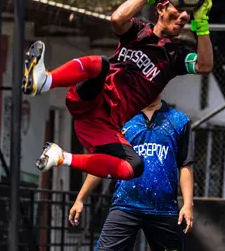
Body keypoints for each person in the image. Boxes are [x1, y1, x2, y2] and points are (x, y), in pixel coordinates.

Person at [21, 0, 213, 181]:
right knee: (100, 64)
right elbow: (117, 19)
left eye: (187, 14)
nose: (183, 17)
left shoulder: (176, 54)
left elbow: (204, 66)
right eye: (178, 9)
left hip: (105, 124)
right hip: (92, 97)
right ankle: (45, 80)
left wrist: (203, 23)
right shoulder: (139, 31)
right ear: (161, 9)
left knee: (134, 167)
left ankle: (61, 157)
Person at [69, 94, 194, 251]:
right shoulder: (121, 118)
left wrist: (188, 204)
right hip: (125, 204)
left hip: (163, 208)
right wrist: (80, 198)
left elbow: (185, 165)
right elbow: (104, 161)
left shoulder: (179, 121)